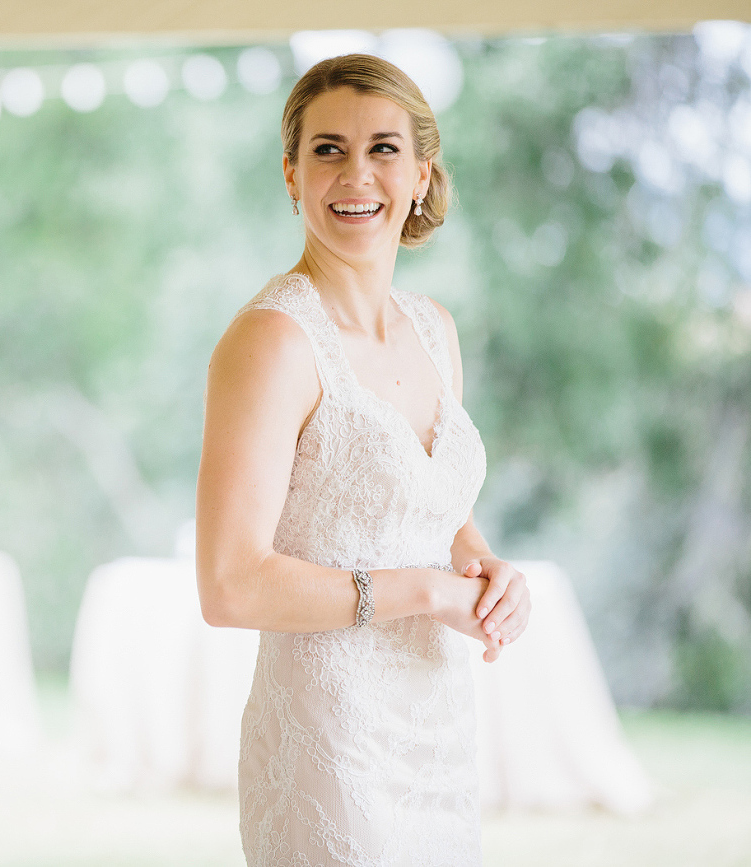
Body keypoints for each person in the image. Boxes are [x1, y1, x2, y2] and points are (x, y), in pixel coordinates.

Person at [194, 54, 532, 866]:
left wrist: (485, 569)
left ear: (421, 174)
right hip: (327, 738)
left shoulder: (433, 329)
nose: (356, 174)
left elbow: (432, 508)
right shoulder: (272, 342)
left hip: (437, 722)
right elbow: (229, 583)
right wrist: (424, 591)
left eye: (383, 148)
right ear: (291, 174)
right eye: (327, 149)